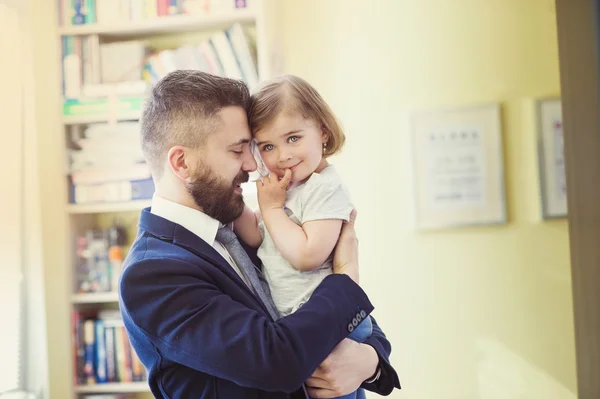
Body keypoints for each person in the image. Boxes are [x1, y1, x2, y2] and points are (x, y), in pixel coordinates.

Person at [119, 70, 400, 399]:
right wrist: (347, 274)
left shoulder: (235, 220)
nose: (255, 165)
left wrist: (370, 362)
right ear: (182, 162)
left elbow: (319, 300)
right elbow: (276, 359)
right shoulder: (152, 274)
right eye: (238, 151)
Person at [234, 75, 374, 399]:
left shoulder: (325, 188)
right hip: (307, 326)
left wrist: (270, 209)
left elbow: (307, 254)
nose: (282, 155)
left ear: (322, 132)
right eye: (268, 146)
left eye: (293, 138)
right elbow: (260, 237)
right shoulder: (290, 191)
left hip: (333, 327)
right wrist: (235, 205)